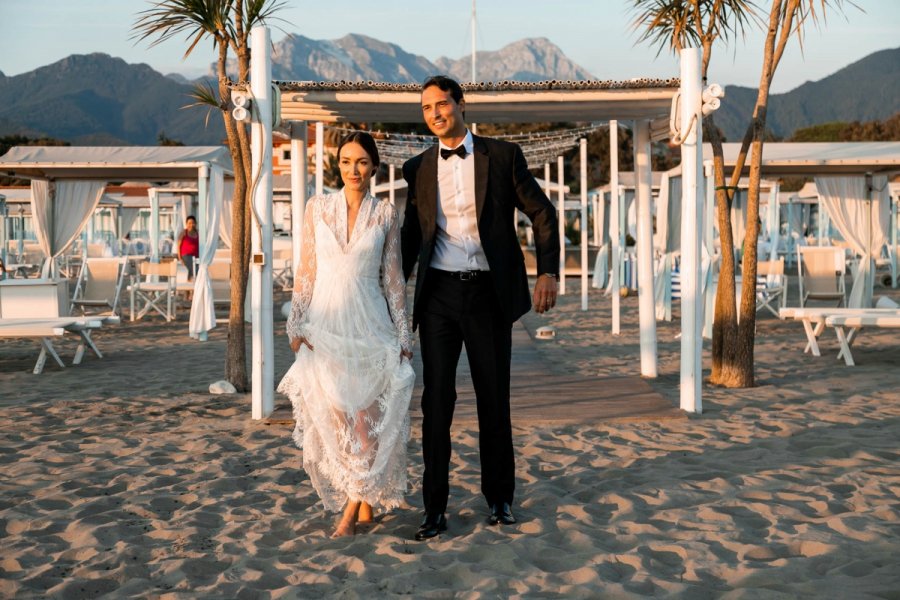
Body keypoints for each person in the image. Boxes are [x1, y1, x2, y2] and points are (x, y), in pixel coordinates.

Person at [401, 75, 560, 541]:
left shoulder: (504, 156)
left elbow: (542, 212)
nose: (434, 113)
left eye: (442, 104)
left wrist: (546, 271)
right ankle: (434, 509)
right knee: (436, 404)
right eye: (427, 107)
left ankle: (500, 499)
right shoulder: (417, 167)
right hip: (438, 299)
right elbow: (412, 236)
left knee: (494, 400)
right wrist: (386, 290)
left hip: (489, 294)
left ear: (461, 104)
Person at [278, 131, 415, 538]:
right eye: (345, 162)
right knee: (339, 421)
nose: (353, 170)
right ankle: (364, 500)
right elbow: (306, 271)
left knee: (367, 422)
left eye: (361, 162)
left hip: (372, 325)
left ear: (374, 166)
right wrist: (295, 322)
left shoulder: (385, 213)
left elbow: (393, 280)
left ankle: (350, 514)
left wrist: (404, 335)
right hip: (326, 326)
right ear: (337, 166)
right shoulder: (316, 207)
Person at [177, 215, 200, 280]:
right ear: (186, 224)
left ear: (195, 223)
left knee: (197, 270)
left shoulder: (198, 233)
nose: (191, 225)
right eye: (189, 223)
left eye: (193, 223)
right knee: (193, 269)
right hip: (186, 255)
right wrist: (180, 258)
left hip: (196, 255)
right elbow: (178, 245)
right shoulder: (184, 232)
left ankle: (191, 285)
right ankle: (190, 285)